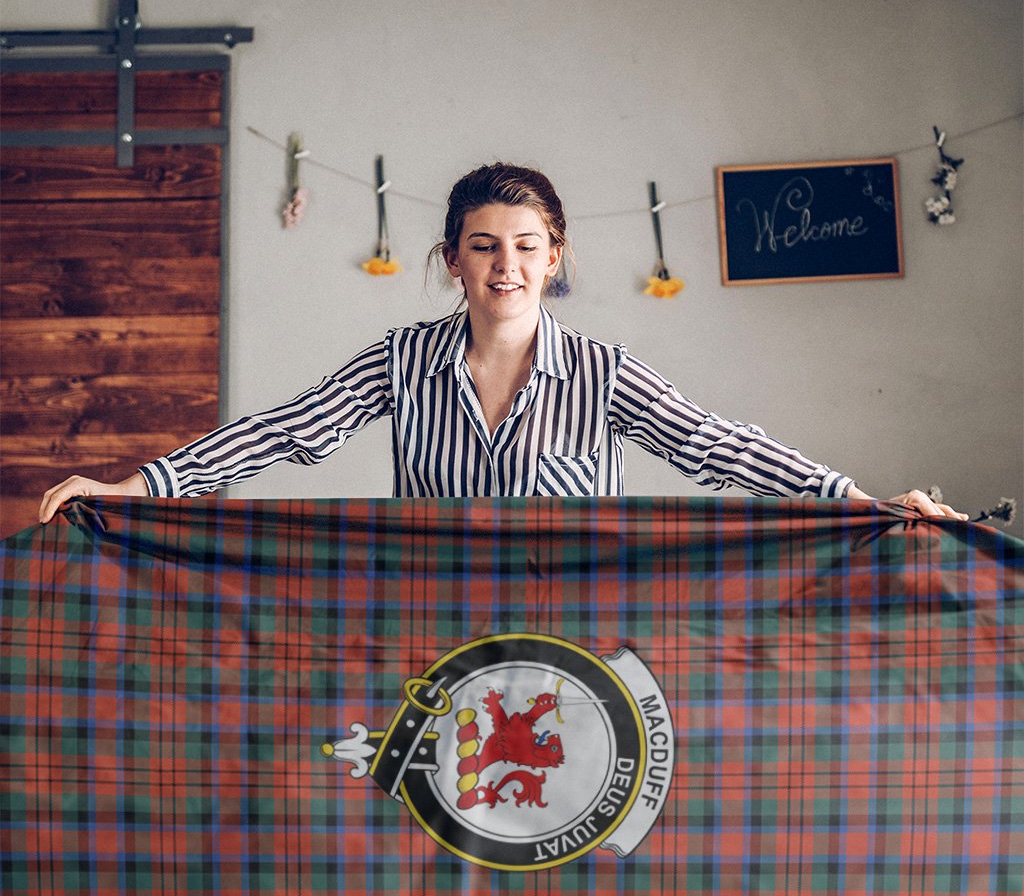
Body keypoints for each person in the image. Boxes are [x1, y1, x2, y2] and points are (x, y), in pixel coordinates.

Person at [38, 163, 968, 523]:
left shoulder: (604, 374)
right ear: (453, 260)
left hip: (579, 641)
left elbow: (717, 444)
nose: (506, 266)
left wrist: (855, 499)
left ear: (555, 258)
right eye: (484, 247)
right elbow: (284, 432)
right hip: (432, 634)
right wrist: (138, 487)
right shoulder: (401, 359)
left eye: (527, 248)